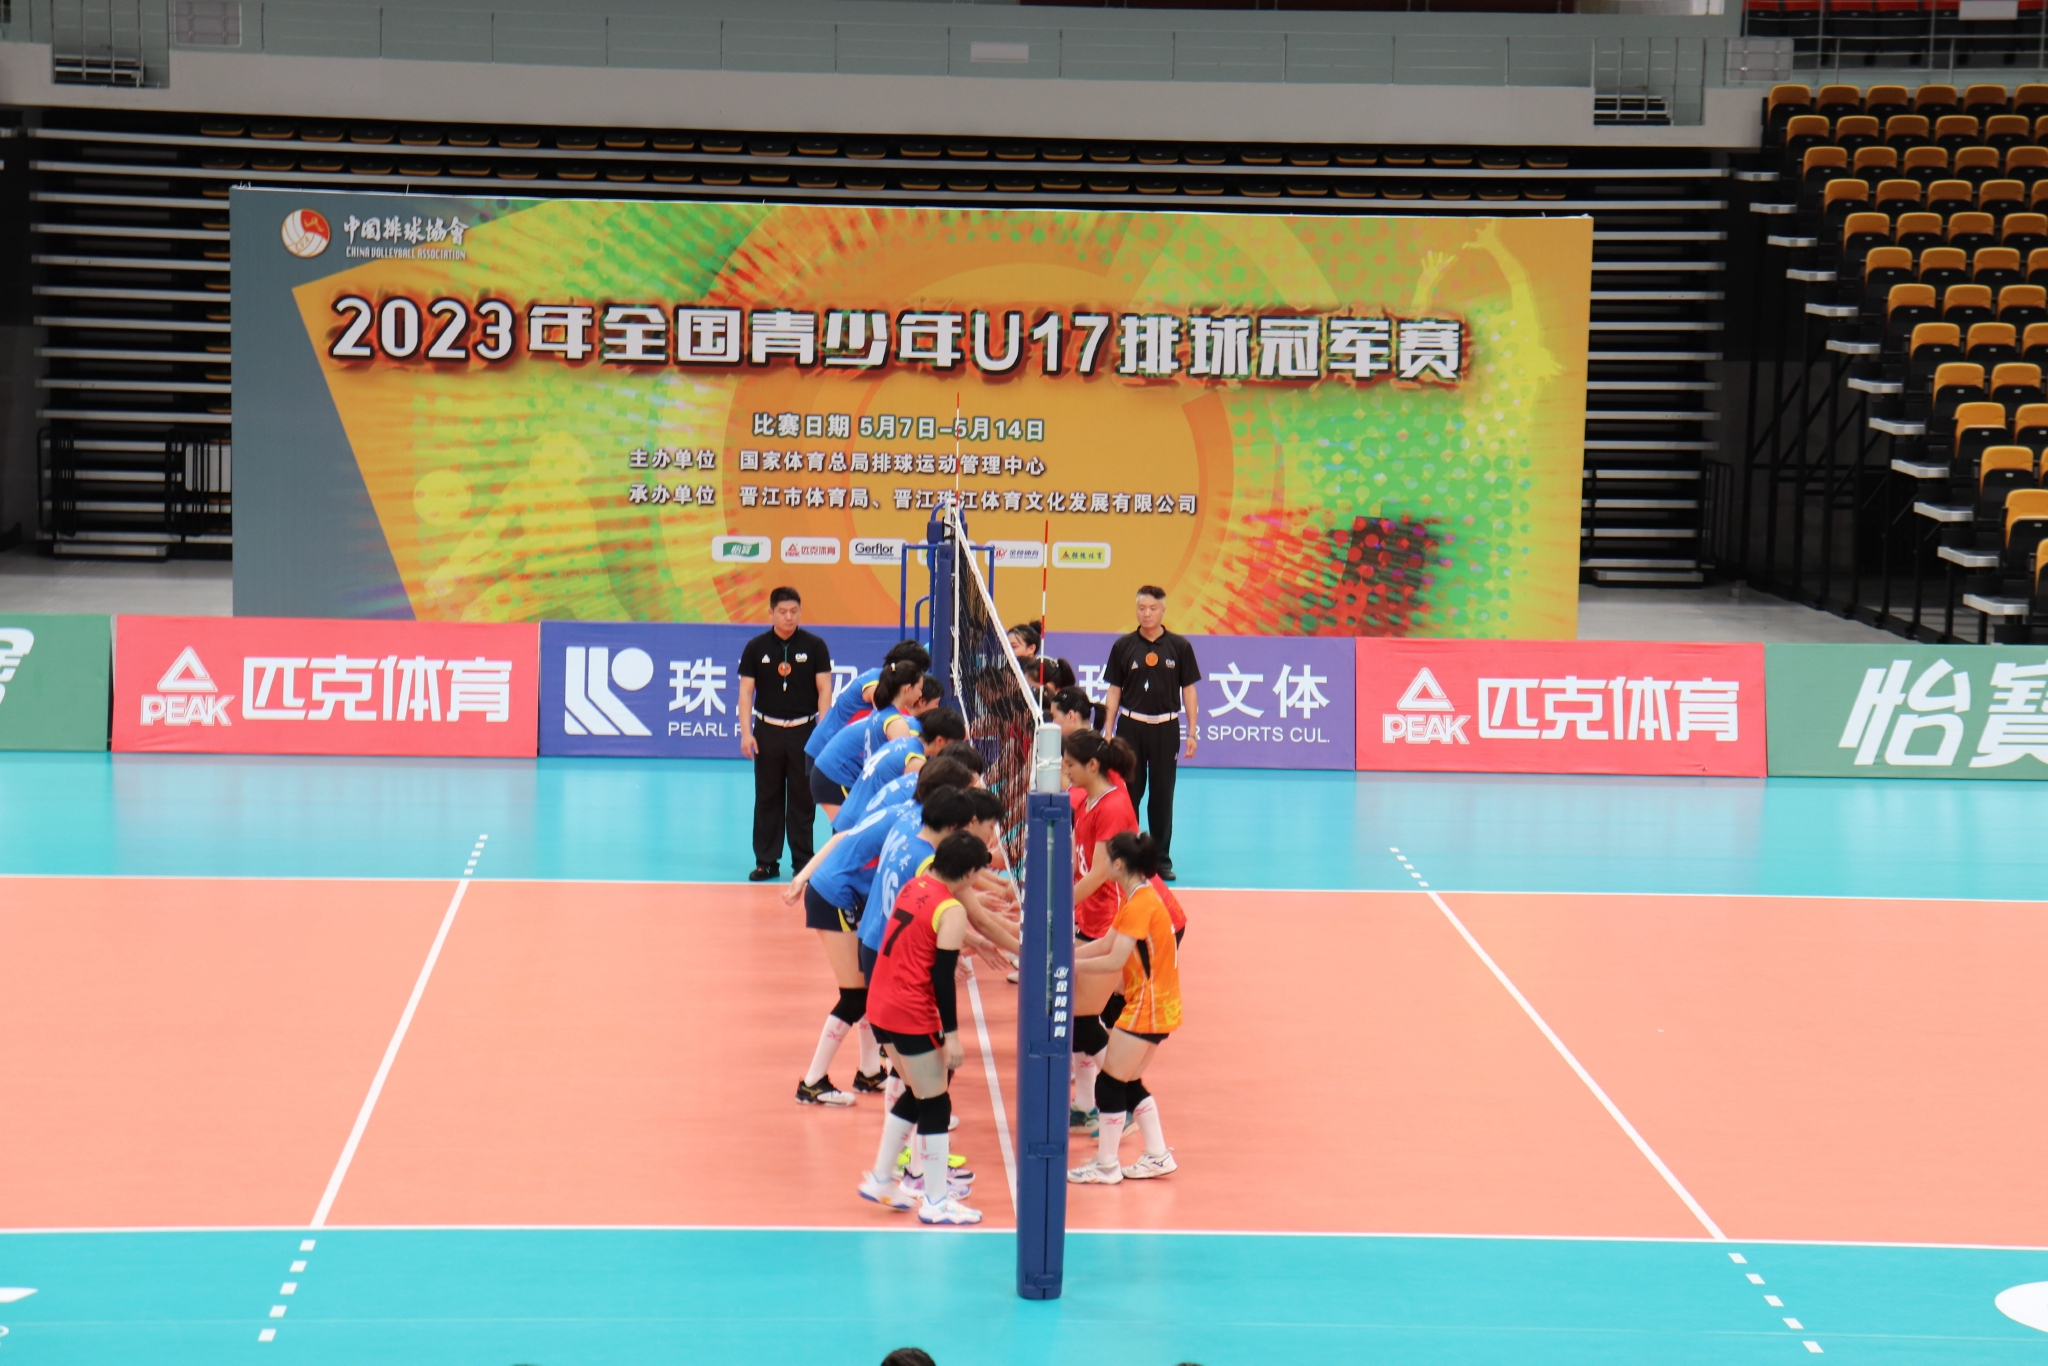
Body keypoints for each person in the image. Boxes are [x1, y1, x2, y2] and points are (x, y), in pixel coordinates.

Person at [785, 757, 987, 1106]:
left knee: (869, 993)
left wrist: (803, 875)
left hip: (842, 892)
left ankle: (868, 1071)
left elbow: (845, 836)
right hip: (836, 894)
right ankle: (813, 1081)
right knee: (855, 997)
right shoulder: (917, 831)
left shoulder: (908, 813)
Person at [857, 829, 996, 1224]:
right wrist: (951, 1037)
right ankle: (936, 1201)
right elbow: (942, 977)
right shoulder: (951, 910)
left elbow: (918, 940)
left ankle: (881, 1178)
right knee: (936, 1102)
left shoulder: (915, 885)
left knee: (919, 1093)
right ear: (967, 874)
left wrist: (971, 944)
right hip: (909, 1010)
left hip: (880, 1003)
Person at [1068, 831, 1181, 1186]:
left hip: (1149, 1005)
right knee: (1128, 1082)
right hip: (1156, 1004)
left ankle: (1106, 1165)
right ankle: (1158, 1155)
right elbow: (1107, 943)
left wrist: (1067, 968)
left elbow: (1114, 960)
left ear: (1118, 864)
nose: (1099, 863)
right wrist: (1066, 956)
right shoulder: (1137, 896)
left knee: (1111, 1083)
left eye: (1105, 858)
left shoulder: (1140, 904)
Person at [1061, 728, 1139, 1136]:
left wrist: (1055, 905)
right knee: (1073, 1015)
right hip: (1088, 917)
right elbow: (1078, 860)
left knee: (1083, 1018)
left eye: (1070, 764)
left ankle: (1126, 1102)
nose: (1065, 771)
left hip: (1110, 920)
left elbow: (1100, 874)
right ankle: (1085, 1105)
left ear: (1092, 765)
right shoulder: (1088, 800)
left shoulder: (1112, 806)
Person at [1102, 585, 1201, 882]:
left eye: (1153, 609)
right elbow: (1114, 690)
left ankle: (1160, 860)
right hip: (1130, 727)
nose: (1147, 614)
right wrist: (1108, 730)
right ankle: (1128, 857)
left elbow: (1189, 691)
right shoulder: (1123, 646)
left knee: (1162, 795)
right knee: (1128, 793)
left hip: (1166, 728)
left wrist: (1192, 732)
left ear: (1163, 610)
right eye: (1142, 608)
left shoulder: (1180, 646)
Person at [737, 587, 834, 883]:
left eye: (794, 611)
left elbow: (825, 690)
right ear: (771, 613)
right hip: (766, 731)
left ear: (800, 612)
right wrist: (746, 733)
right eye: (782, 612)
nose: (788, 617)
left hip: (805, 732)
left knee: (803, 799)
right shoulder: (755, 647)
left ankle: (803, 862)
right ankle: (766, 862)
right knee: (767, 797)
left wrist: (823, 732)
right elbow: (745, 692)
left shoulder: (815, 646)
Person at [811, 665, 940, 819]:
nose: (920, 694)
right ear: (911, 692)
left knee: (853, 826)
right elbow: (902, 770)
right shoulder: (900, 724)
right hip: (835, 772)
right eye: (936, 704)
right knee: (851, 826)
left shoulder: (885, 712)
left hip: (841, 770)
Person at [806, 640, 931, 785]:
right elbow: (886, 722)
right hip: (827, 752)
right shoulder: (877, 686)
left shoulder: (878, 677)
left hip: (836, 753)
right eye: (917, 673)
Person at [834, 706, 967, 833]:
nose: (954, 750)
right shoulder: (915, 763)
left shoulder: (904, 742)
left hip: (848, 816)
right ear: (939, 741)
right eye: (954, 744)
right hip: (858, 824)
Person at [1007, 622, 1076, 694]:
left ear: (1031, 648)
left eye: (1013, 646)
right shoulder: (1006, 670)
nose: (1007, 650)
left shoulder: (1044, 667)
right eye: (1006, 646)